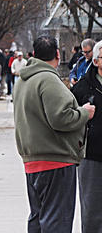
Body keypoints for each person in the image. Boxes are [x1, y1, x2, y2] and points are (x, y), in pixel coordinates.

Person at [14, 35, 95, 232]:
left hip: (32, 161)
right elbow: (61, 118)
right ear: (58, 55)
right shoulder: (48, 79)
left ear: (34, 55)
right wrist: (85, 113)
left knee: (38, 218)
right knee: (57, 220)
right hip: (56, 161)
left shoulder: (23, 81)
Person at [71, 40, 102, 232]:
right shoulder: (83, 88)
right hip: (91, 156)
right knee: (92, 209)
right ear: (97, 61)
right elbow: (70, 118)